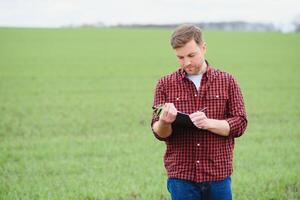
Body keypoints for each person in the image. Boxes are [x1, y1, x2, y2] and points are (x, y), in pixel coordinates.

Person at [150, 24, 248, 200]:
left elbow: (240, 123)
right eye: (180, 57)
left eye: (191, 55)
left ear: (203, 47)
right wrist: (164, 122)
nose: (186, 62)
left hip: (218, 175)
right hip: (181, 178)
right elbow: (159, 133)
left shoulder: (227, 81)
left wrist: (209, 123)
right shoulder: (164, 84)